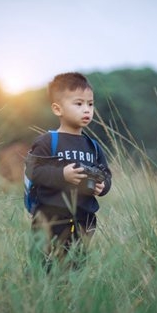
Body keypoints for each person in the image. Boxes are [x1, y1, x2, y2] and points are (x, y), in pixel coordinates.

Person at [25, 72, 112, 270]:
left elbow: (106, 174)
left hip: (84, 219)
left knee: (76, 266)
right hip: (49, 218)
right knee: (44, 266)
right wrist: (62, 175)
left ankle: (70, 299)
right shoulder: (48, 141)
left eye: (90, 104)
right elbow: (33, 171)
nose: (87, 110)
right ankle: (40, 297)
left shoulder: (93, 146)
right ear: (58, 109)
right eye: (79, 104)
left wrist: (103, 186)